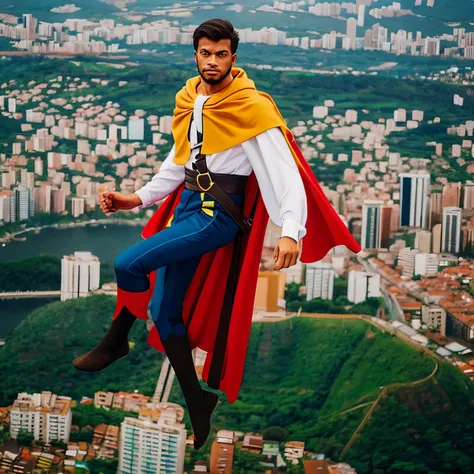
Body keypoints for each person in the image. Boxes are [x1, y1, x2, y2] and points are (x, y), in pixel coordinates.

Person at [72, 18, 361, 450]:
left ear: (233, 56)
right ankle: (197, 400)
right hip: (188, 206)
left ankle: (117, 340)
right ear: (195, 54)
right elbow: (179, 160)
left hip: (216, 216)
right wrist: (138, 198)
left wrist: (290, 230)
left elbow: (285, 174)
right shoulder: (189, 98)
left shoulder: (252, 106)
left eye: (221, 53)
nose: (212, 60)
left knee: (127, 263)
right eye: (205, 52)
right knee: (166, 309)